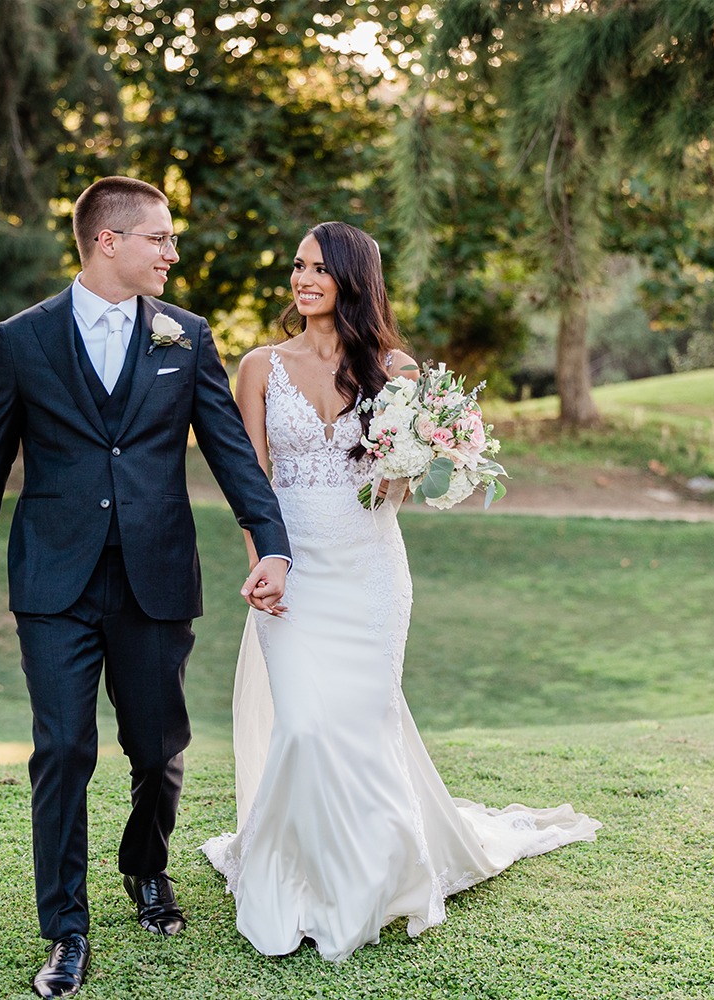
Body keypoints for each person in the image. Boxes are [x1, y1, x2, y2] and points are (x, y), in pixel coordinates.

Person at [200, 221, 601, 962]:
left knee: (361, 723)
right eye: (297, 266)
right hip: (292, 570)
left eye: (319, 267)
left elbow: (402, 488)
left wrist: (417, 461)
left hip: (371, 573)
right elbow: (249, 483)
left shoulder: (397, 370)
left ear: (353, 278)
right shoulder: (258, 366)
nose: (302, 278)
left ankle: (375, 877)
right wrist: (262, 561)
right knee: (304, 727)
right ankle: (302, 877)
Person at [0, 176, 292, 999]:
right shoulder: (22, 340)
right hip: (54, 581)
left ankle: (146, 870)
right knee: (63, 749)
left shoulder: (187, 336)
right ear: (110, 242)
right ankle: (65, 929)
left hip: (156, 573)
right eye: (160, 239)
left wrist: (271, 543)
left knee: (159, 748)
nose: (173, 254)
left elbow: (231, 453)